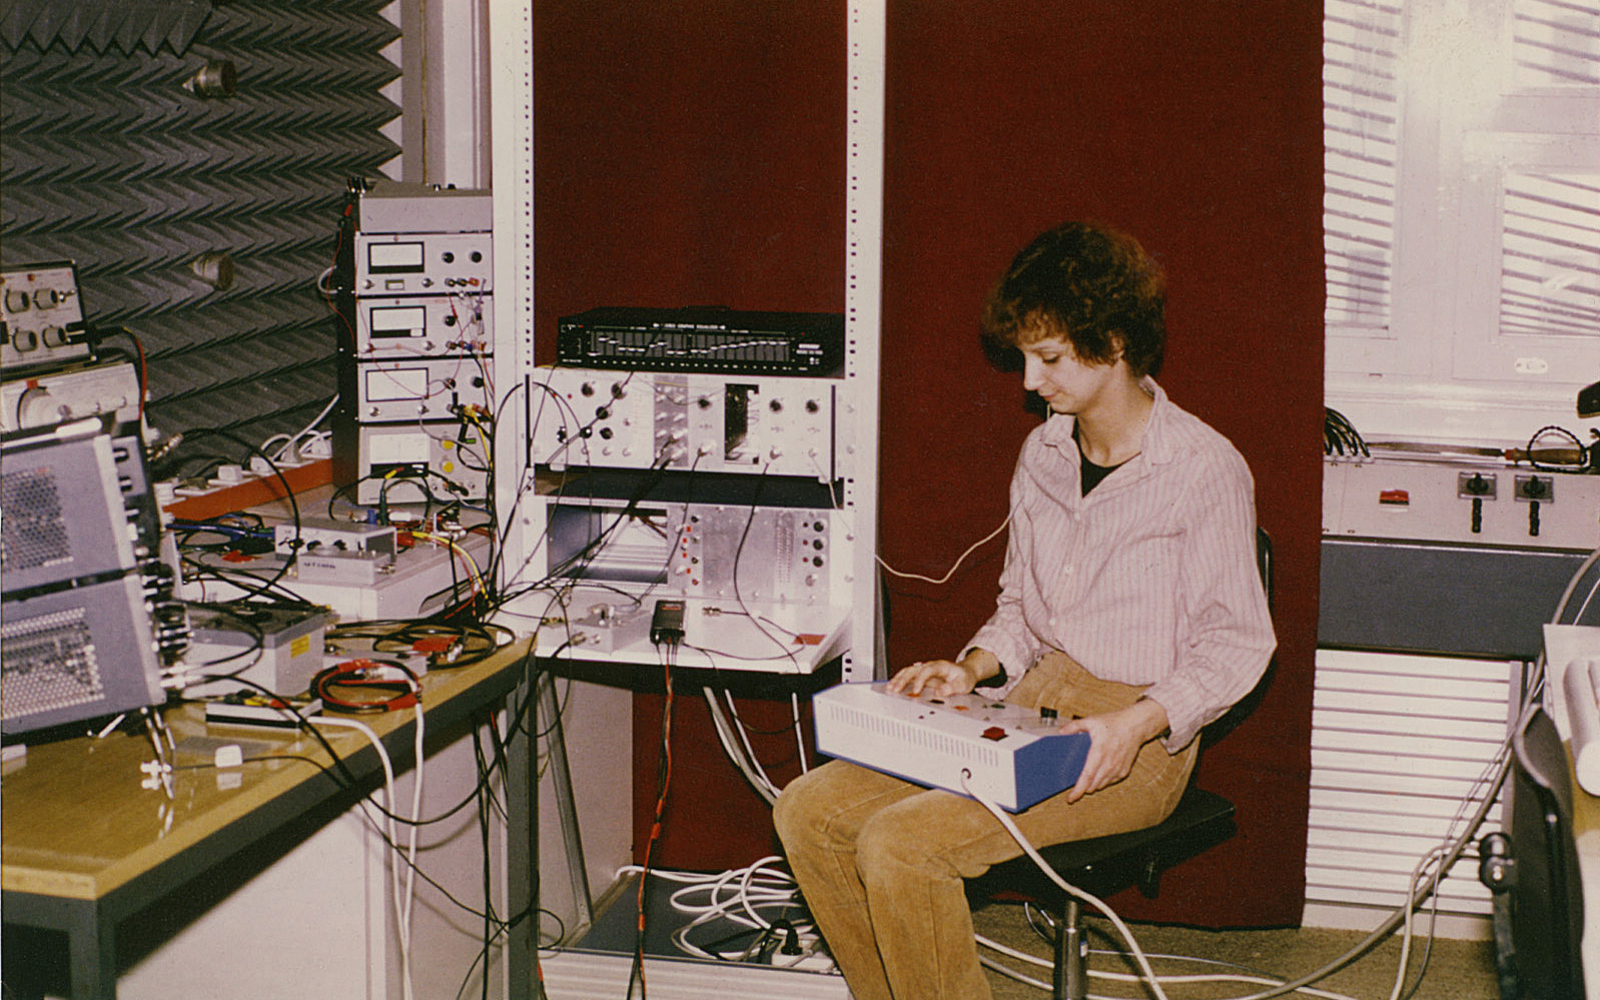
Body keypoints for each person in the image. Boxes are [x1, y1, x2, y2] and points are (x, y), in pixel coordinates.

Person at [772, 221, 1277, 1000]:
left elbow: (1238, 644)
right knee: (809, 811)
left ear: (1111, 341)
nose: (1029, 381)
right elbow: (1022, 607)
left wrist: (1134, 724)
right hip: (1029, 702)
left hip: (1135, 740)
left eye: (1048, 358)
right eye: (1025, 359)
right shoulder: (1042, 453)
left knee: (905, 845)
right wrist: (969, 667)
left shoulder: (1204, 467)